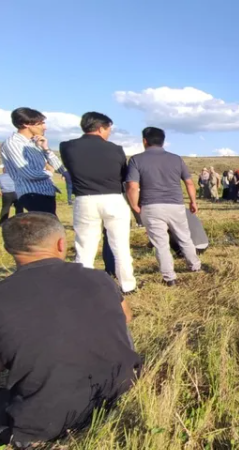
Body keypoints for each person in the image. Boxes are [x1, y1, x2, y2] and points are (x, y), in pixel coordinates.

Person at [0, 213, 140, 447]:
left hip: (45, 423)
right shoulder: (100, 278)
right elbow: (126, 316)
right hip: (122, 393)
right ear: (60, 244)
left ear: (7, 248)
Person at [59, 111, 137, 294]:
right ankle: (128, 285)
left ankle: (83, 285)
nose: (109, 132)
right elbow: (123, 175)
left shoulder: (67, 146)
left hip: (85, 199)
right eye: (109, 129)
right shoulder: (116, 149)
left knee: (85, 246)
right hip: (113, 198)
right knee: (120, 246)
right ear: (101, 128)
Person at [126, 127, 201, 286]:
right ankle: (195, 266)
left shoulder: (136, 160)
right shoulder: (176, 159)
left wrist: (134, 206)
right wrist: (193, 201)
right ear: (163, 141)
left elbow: (132, 186)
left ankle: (170, 278)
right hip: (175, 204)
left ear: (144, 141)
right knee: (184, 237)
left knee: (161, 243)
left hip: (151, 205)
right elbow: (189, 182)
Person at [0, 107, 65, 215]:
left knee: (51, 228)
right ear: (26, 124)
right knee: (46, 230)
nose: (45, 127)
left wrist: (46, 149)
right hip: (32, 195)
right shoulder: (13, 143)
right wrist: (49, 172)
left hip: (46, 193)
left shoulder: (35, 142)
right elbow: (28, 173)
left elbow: (60, 168)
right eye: (40, 123)